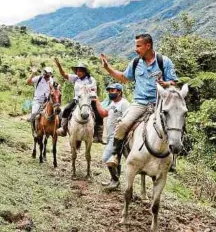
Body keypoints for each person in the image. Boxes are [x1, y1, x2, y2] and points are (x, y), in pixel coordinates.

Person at [100, 33, 178, 168]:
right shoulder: (136, 62)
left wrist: (166, 83)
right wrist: (107, 68)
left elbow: (174, 82)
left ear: (148, 46)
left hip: (159, 103)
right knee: (123, 125)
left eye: (138, 46)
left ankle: (173, 159)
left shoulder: (164, 61)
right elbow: (124, 78)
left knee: (175, 124)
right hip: (139, 103)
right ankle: (115, 156)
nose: (136, 49)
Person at [94, 83, 130, 188]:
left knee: (106, 157)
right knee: (115, 158)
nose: (110, 93)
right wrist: (96, 101)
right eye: (109, 91)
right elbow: (103, 113)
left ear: (119, 92)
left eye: (113, 91)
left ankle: (115, 180)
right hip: (111, 136)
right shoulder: (113, 103)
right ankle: (114, 180)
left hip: (118, 137)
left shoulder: (124, 103)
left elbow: (127, 120)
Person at [53, 58, 98, 137]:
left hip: (88, 99)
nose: (78, 73)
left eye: (80, 71)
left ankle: (98, 133)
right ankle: (63, 128)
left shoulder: (91, 80)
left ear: (85, 71)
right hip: (77, 99)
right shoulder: (75, 78)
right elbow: (64, 74)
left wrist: (88, 91)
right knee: (66, 109)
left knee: (97, 113)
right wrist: (59, 66)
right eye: (77, 71)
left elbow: (94, 90)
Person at [26, 66, 55, 137]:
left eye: (49, 74)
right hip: (37, 100)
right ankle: (34, 131)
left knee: (56, 113)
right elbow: (28, 82)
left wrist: (52, 87)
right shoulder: (39, 78)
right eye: (46, 73)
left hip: (47, 101)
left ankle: (56, 129)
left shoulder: (52, 80)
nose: (47, 75)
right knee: (34, 115)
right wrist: (33, 73)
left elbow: (53, 90)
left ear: (51, 74)